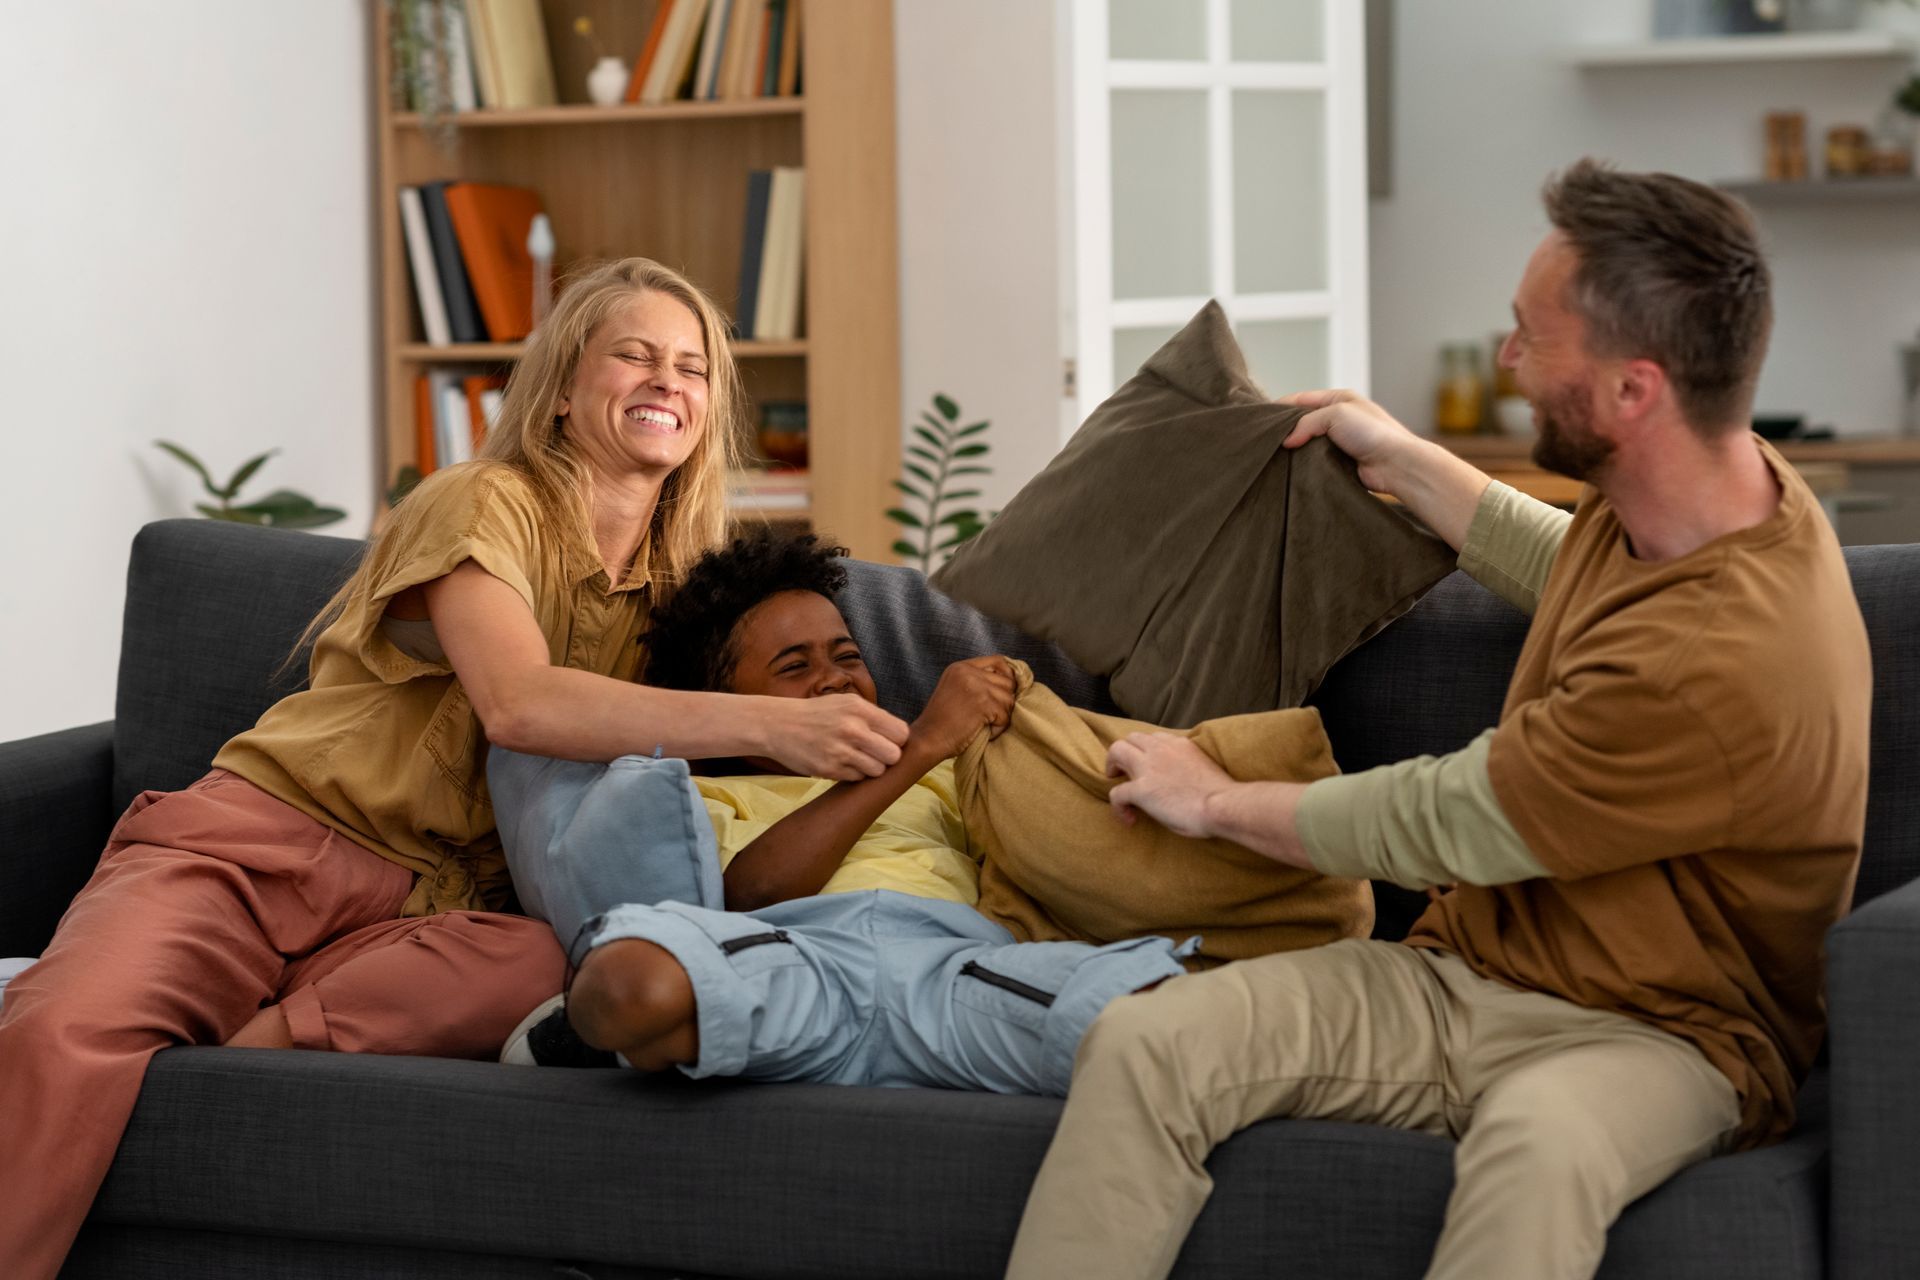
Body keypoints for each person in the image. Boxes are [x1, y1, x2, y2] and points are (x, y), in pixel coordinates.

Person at [1004, 159, 1873, 1280]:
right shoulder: (1699, 495)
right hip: (1465, 974)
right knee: (1144, 1041)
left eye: (1532, 334)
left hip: (1672, 1034)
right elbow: (1573, 572)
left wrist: (1213, 800)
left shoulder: (1722, 660)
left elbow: (1449, 816)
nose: (1506, 358)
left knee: (1539, 1142)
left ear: (1630, 390)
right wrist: (1406, 459)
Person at [0, 258, 911, 1280]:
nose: (669, 381)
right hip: (267, 844)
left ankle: (228, 1061)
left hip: (430, 913)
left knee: (541, 966)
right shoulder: (480, 499)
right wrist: (775, 726)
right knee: (61, 1031)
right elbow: (518, 701)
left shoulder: (682, 596)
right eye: (636, 356)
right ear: (565, 386)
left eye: (693, 367)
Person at [492, 528, 1202, 1094]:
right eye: (794, 668)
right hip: (797, 961)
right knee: (625, 985)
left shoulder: (955, 777)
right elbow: (756, 892)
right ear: (726, 710)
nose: (835, 679)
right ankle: (596, 1034)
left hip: (953, 970)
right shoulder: (711, 790)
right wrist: (921, 744)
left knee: (1182, 1018)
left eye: (848, 656)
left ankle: (648, 1050)